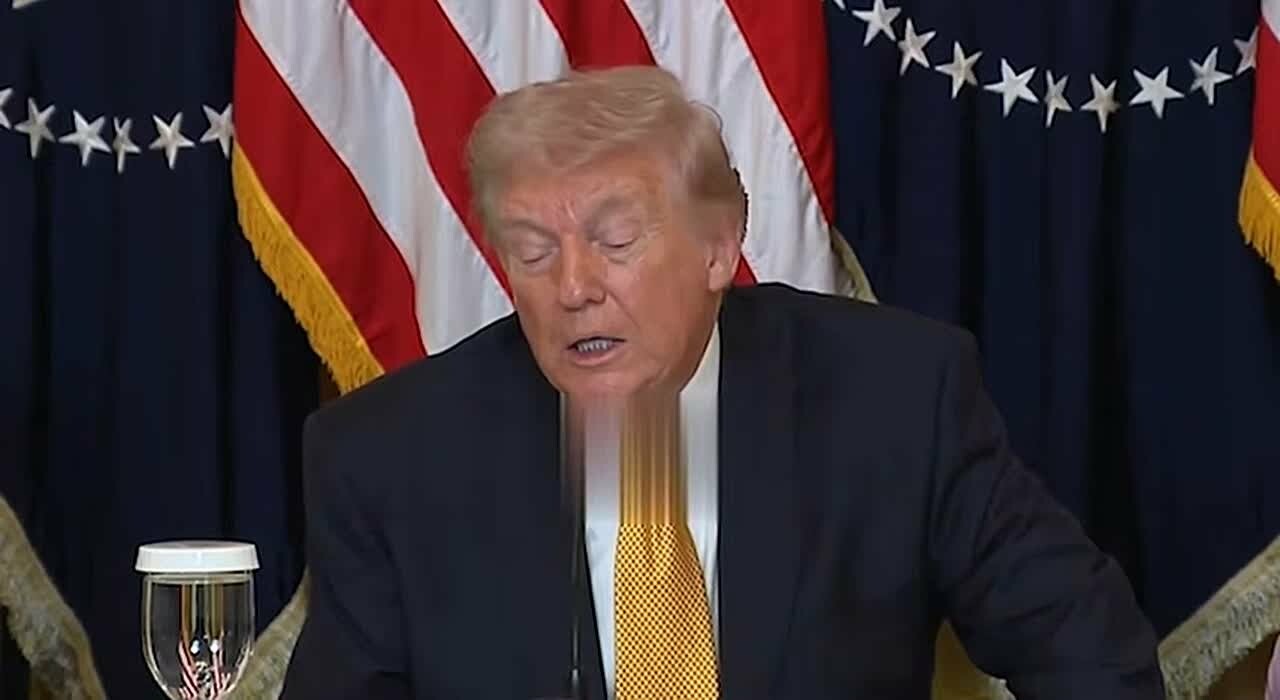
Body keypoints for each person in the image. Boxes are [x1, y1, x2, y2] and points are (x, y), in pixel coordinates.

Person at [280, 65, 1164, 699]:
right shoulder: (388, 457)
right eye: (533, 251)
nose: (573, 287)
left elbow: (1091, 657)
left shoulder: (895, 397)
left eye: (614, 241)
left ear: (719, 244)